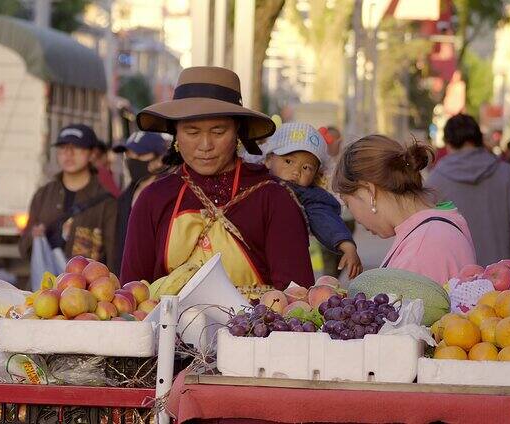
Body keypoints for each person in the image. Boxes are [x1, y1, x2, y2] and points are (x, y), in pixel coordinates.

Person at [121, 66, 314, 294]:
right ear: (176, 134)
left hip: (253, 328)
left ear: (237, 132)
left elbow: (297, 298)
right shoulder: (153, 198)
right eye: (192, 133)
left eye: (218, 132)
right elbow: (132, 295)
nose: (205, 145)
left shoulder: (273, 198)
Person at [333, 135, 476, 285]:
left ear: (369, 191)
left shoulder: (422, 248)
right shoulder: (433, 229)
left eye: (347, 203)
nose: (354, 216)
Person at [426, 114, 510, 266]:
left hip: (455, 279)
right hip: (503, 278)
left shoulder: (436, 180)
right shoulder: (506, 173)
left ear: (448, 144)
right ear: (479, 140)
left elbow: (427, 234)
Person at [258, 123, 363, 278]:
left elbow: (325, 219)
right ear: (268, 159)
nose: (296, 171)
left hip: (286, 266)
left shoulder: (307, 196)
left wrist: (347, 245)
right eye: (288, 161)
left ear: (316, 174)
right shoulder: (254, 184)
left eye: (306, 168)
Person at [19, 124, 117, 266]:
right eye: (63, 148)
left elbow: (114, 255)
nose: (69, 154)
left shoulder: (107, 203)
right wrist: (33, 237)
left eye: (77, 147)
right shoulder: (43, 195)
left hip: (87, 286)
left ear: (92, 154)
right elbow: (23, 249)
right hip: (45, 285)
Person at [111, 131, 170, 273]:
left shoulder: (168, 195)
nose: (132, 160)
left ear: (159, 158)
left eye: (140, 155)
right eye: (129, 154)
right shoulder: (125, 196)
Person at [318, 125, 357, 277]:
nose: (330, 143)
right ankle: (328, 287)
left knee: (340, 261)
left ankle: (332, 284)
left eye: (334, 140)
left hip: (346, 218)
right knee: (328, 261)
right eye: (327, 140)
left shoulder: (346, 163)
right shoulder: (319, 164)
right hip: (327, 219)